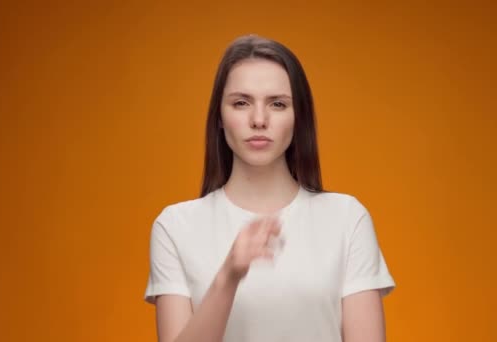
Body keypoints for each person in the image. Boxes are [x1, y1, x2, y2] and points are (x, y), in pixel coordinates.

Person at [144, 34, 396, 342]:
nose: (259, 119)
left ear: (297, 117)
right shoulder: (175, 226)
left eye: (277, 104)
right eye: (241, 103)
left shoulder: (347, 219)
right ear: (220, 118)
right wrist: (228, 277)